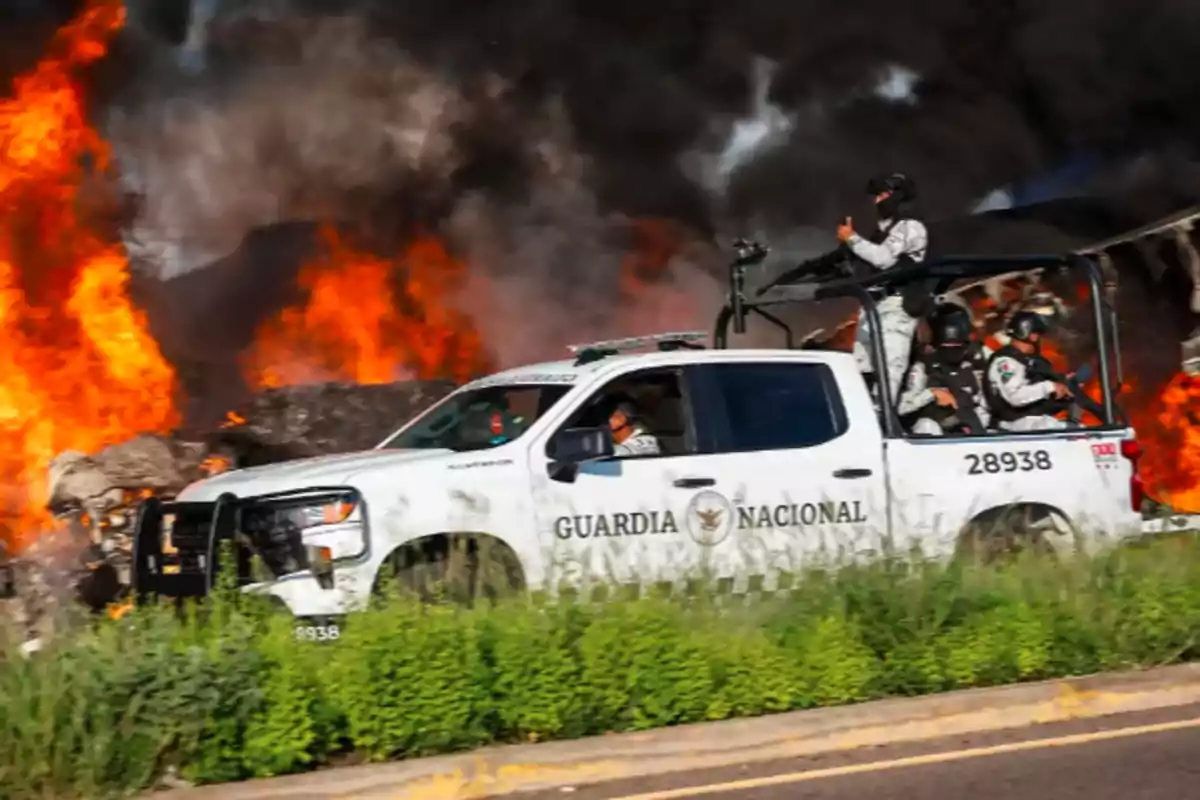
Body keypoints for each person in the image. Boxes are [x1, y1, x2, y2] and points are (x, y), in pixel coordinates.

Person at [839, 172, 930, 406]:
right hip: (872, 307)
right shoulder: (880, 233)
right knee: (860, 373)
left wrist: (852, 239)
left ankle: (884, 429)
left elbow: (884, 258)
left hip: (896, 308)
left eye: (883, 194)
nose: (877, 201)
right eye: (876, 195)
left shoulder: (911, 227)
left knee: (888, 379)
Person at [898, 303, 991, 436]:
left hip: (970, 432)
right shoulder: (922, 367)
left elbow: (982, 404)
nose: (953, 348)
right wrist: (933, 394)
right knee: (926, 425)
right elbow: (902, 407)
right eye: (948, 343)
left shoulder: (971, 365)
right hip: (937, 433)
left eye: (958, 344)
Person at [983, 311, 1073, 432]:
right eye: (1039, 335)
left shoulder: (1030, 360)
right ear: (1033, 336)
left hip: (1033, 424)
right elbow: (1015, 397)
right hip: (1013, 428)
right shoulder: (1005, 362)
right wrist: (1049, 387)